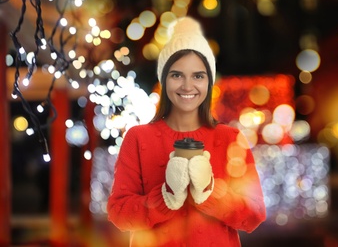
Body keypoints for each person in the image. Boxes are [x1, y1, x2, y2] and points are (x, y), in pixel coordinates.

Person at [107, 16, 266, 246]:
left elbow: (255, 214)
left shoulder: (230, 138)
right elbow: (118, 212)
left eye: (198, 76)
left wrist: (211, 193)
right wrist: (165, 197)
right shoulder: (138, 138)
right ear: (164, 79)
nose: (187, 85)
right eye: (176, 75)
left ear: (209, 82)